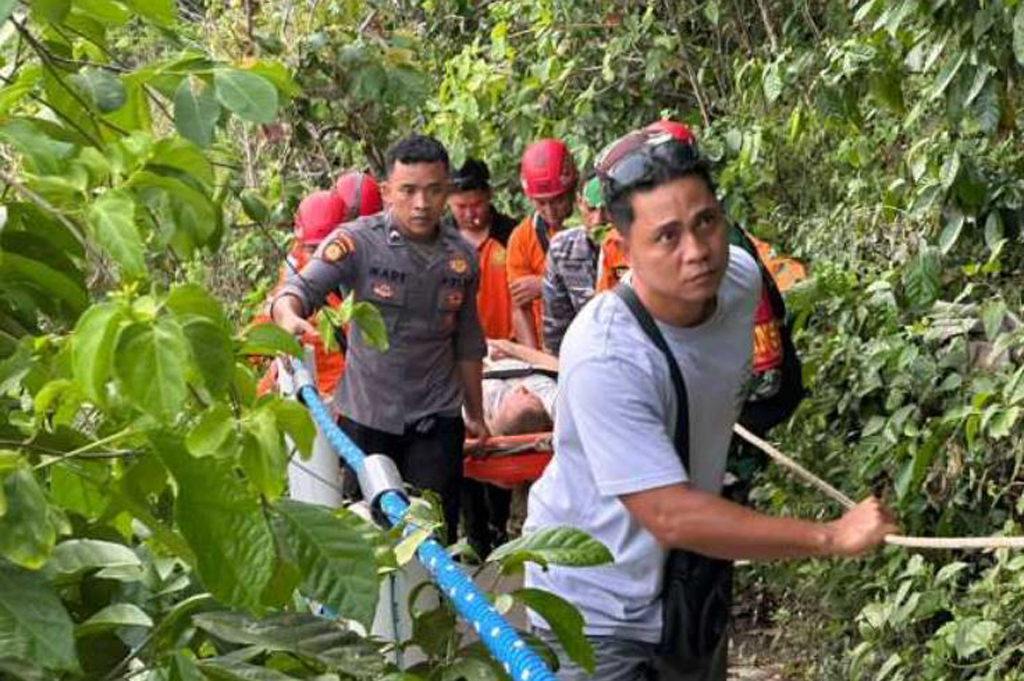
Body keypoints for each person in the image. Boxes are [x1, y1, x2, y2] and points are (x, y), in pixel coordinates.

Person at [523, 128, 897, 680]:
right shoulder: (606, 355)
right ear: (624, 252)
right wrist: (831, 537)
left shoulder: (740, 280)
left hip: (688, 589)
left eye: (706, 223)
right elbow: (670, 514)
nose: (696, 252)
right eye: (667, 237)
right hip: (593, 610)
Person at [271, 134, 489, 543]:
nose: (421, 203)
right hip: (367, 419)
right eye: (408, 191)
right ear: (388, 191)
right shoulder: (356, 242)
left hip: (436, 420)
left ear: (447, 191)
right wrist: (288, 316)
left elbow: (468, 341)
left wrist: (475, 414)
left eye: (433, 190)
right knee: (370, 537)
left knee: (433, 541)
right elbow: (297, 290)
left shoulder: (462, 257)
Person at [506, 139, 577, 349]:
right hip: (549, 347)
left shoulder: (594, 228)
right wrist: (536, 360)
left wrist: (544, 285)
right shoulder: (522, 238)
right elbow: (520, 306)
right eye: (541, 203)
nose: (550, 210)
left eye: (557, 200)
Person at [444, 158, 518, 339]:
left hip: (511, 345)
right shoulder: (439, 240)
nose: (470, 214)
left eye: (477, 205)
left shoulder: (512, 234)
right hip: (456, 347)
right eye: (461, 207)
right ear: (447, 201)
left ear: (489, 195)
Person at [541, 171, 610, 355]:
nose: (599, 220)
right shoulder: (562, 250)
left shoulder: (639, 249)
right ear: (579, 203)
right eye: (591, 209)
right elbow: (555, 334)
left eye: (607, 209)